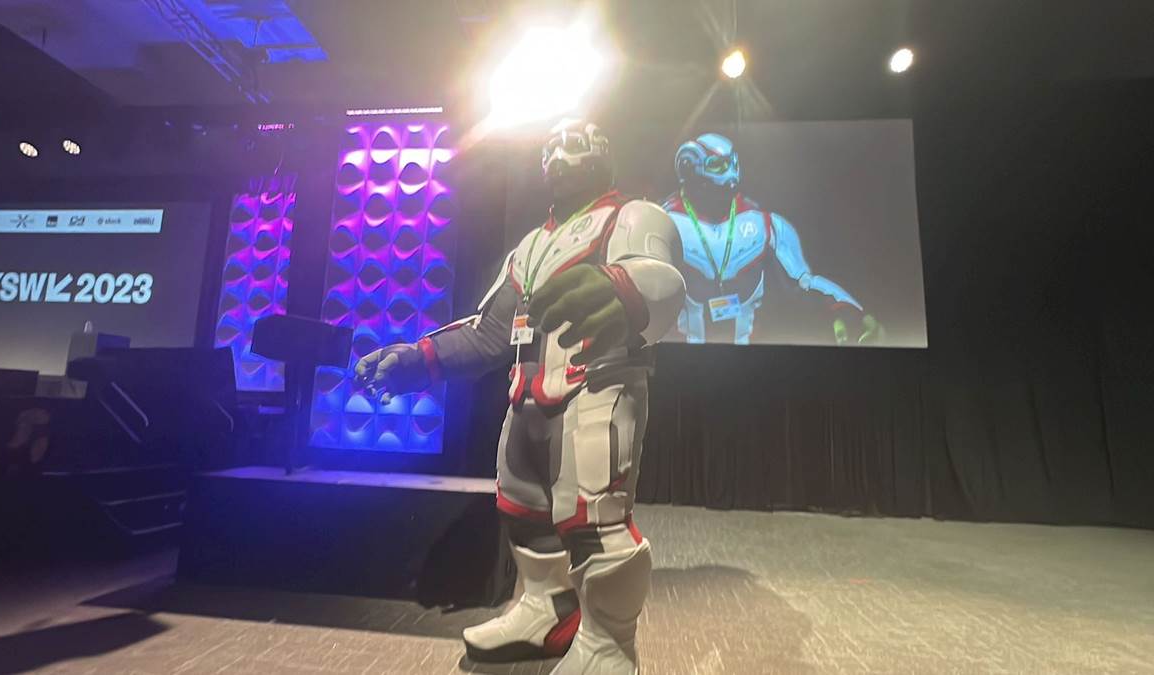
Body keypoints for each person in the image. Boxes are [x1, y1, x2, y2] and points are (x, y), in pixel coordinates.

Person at [355, 119, 685, 674]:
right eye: (550, 148)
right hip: (528, 396)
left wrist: (619, 288)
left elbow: (663, 283)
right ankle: (546, 609)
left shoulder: (633, 216)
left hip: (597, 385)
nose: (558, 157)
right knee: (523, 508)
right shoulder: (532, 246)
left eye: (572, 145)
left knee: (594, 518)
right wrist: (422, 358)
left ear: (602, 153)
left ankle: (608, 641)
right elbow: (490, 329)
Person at [663, 132, 882, 345]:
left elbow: (804, 282)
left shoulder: (766, 224)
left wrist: (848, 310)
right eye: (717, 165)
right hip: (679, 355)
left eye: (732, 163)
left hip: (752, 355)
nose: (730, 172)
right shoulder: (663, 222)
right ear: (689, 167)